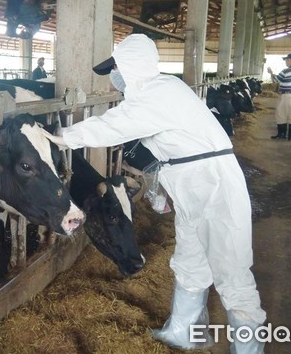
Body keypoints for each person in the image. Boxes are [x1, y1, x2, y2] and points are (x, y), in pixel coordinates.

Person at [45, 34, 266, 353]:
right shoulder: (149, 95)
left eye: (116, 68)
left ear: (132, 66)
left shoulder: (160, 92)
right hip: (189, 182)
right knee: (190, 259)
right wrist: (158, 187)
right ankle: (183, 331)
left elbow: (114, 126)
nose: (114, 76)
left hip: (213, 184)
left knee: (231, 269)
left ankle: (249, 349)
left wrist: (63, 137)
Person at [267, 53, 291, 141]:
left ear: (290, 60)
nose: (286, 62)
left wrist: (271, 73)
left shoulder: (286, 71)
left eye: (286, 60)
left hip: (287, 95)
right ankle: (290, 136)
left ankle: (281, 134)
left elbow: (276, 81)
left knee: (281, 114)